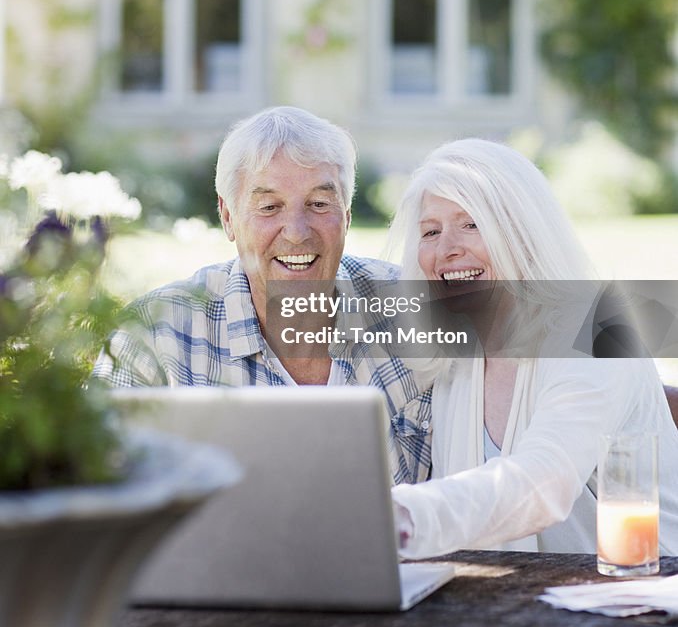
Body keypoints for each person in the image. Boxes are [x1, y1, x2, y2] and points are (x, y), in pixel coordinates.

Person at [93, 106, 433, 485]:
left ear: (348, 215)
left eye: (319, 204)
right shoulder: (154, 333)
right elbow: (93, 484)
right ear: (227, 217)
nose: (296, 232)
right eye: (270, 207)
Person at [390, 138, 678, 556]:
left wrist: (399, 514)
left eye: (471, 223)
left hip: (644, 599)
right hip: (519, 605)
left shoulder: (602, 326)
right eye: (430, 231)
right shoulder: (458, 360)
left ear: (522, 233)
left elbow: (546, 481)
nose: (446, 248)